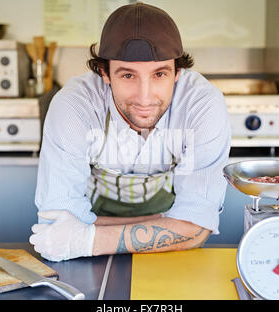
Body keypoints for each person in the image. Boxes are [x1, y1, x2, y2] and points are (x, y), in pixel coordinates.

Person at [29, 2, 231, 261]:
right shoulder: (74, 105)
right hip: (108, 250)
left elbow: (196, 228)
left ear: (178, 72)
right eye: (127, 76)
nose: (145, 98)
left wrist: (85, 238)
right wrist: (168, 225)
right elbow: (56, 223)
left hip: (162, 255)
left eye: (159, 74)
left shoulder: (201, 105)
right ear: (105, 73)